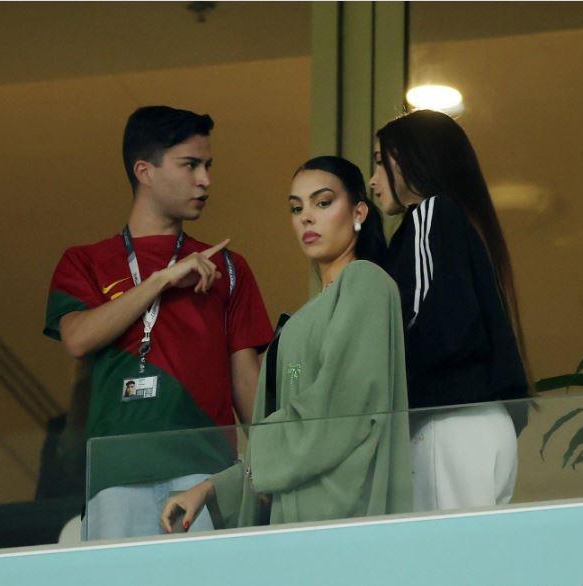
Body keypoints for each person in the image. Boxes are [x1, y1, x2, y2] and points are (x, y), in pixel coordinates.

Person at [43, 105, 274, 539]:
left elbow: (248, 390)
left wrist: (271, 470)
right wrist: (161, 280)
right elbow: (77, 338)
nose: (205, 180)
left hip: (204, 473)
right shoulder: (85, 261)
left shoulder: (227, 266)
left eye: (207, 166)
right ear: (144, 171)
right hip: (115, 475)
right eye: (190, 165)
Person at [161, 156, 412, 533]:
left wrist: (256, 465)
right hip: (302, 516)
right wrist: (212, 488)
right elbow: (298, 433)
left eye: (322, 202)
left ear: (359, 212)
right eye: (297, 208)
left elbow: (341, 409)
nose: (306, 217)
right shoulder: (313, 311)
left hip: (340, 519)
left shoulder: (365, 282)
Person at [370, 109, 530, 511]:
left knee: (445, 549)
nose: (372, 180)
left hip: (450, 422)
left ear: (408, 159)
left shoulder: (431, 214)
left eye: (379, 161)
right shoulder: (463, 221)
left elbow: (422, 318)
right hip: (483, 424)